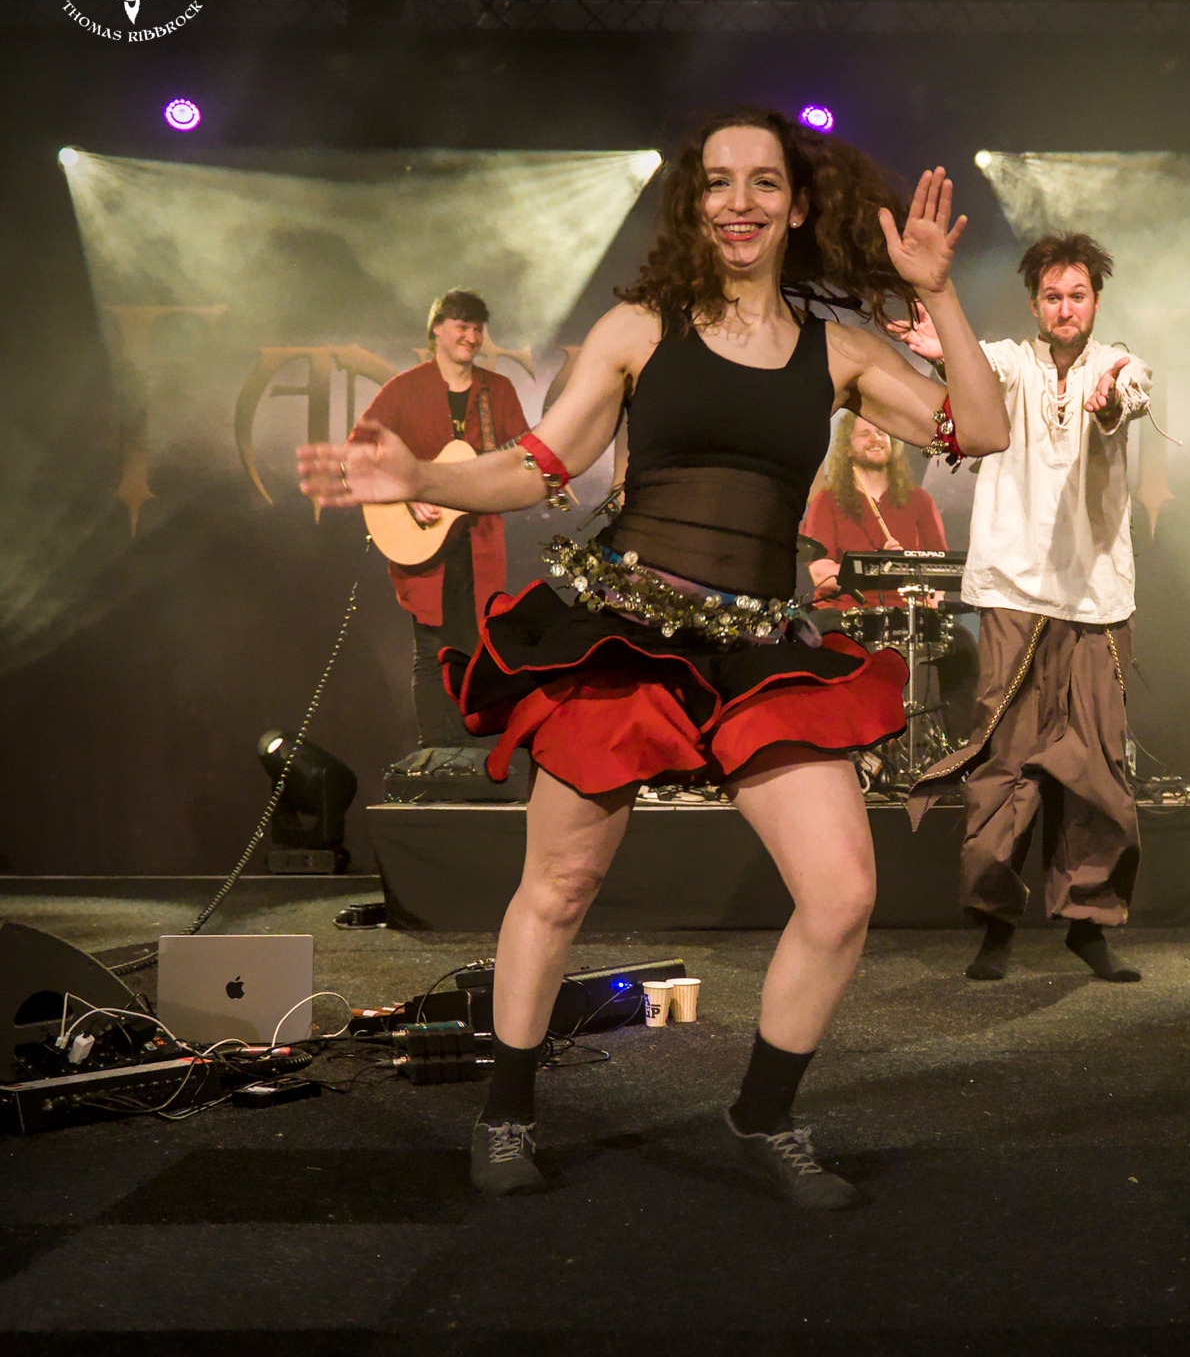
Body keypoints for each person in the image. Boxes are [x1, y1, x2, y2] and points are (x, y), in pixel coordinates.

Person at [299, 106, 1007, 1205]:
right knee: (562, 882)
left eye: (763, 182)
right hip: (626, 630)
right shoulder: (640, 329)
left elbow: (983, 429)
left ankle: (762, 1116)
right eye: (719, 181)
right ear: (695, 204)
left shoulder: (840, 349)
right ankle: (507, 1113)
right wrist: (424, 478)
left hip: (756, 647)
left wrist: (940, 295)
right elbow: (539, 463)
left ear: (797, 206)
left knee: (841, 895)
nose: (739, 201)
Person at [905, 233, 1150, 982]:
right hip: (1013, 593)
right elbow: (973, 368)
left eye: (1077, 295)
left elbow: (1128, 401)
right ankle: (995, 925)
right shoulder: (1011, 363)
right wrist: (942, 351)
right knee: (1003, 767)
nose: (1065, 308)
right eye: (1052, 296)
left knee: (1098, 771)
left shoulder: (1119, 366)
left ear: (1096, 301)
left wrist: (1110, 402)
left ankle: (1087, 924)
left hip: (1096, 602)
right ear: (1036, 304)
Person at [357, 289, 531, 750]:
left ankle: (475, 756)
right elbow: (358, 452)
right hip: (423, 541)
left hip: (481, 542)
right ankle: (436, 755)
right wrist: (407, 492)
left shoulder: (498, 392)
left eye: (478, 329)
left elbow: (524, 457)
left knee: (478, 649)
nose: (471, 337)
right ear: (437, 329)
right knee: (431, 651)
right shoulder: (404, 389)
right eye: (462, 326)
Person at [803, 410, 949, 611]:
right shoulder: (826, 501)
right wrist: (880, 569)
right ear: (847, 448)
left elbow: (940, 572)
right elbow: (821, 574)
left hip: (907, 611)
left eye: (882, 432)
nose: (876, 439)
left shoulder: (920, 500)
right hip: (845, 611)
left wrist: (932, 599)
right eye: (865, 433)